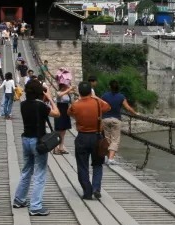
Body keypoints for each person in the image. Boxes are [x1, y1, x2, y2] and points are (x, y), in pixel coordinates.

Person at [12, 78, 60, 216]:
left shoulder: (23, 105)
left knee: (26, 170)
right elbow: (57, 113)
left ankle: (19, 199)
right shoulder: (41, 106)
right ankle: (35, 206)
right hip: (38, 142)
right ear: (40, 92)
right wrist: (50, 98)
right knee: (39, 173)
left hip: (25, 139)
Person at [68, 82, 111, 200]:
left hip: (82, 137)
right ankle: (96, 188)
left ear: (80, 92)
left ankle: (87, 191)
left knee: (82, 165)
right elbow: (108, 106)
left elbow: (69, 112)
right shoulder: (97, 103)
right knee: (97, 164)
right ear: (90, 92)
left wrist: (77, 101)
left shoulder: (76, 105)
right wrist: (95, 97)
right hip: (97, 136)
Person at [100, 79, 137, 165]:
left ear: (109, 87)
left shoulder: (104, 96)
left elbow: (100, 107)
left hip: (105, 119)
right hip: (116, 120)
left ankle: (107, 157)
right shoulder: (121, 97)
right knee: (115, 139)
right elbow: (127, 108)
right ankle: (111, 159)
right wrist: (135, 113)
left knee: (107, 138)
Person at [52, 81, 74, 154]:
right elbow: (60, 95)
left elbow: (71, 102)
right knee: (58, 130)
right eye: (66, 86)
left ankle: (61, 147)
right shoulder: (58, 92)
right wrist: (68, 89)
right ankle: (55, 148)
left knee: (64, 131)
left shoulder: (67, 93)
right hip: (60, 111)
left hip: (65, 112)